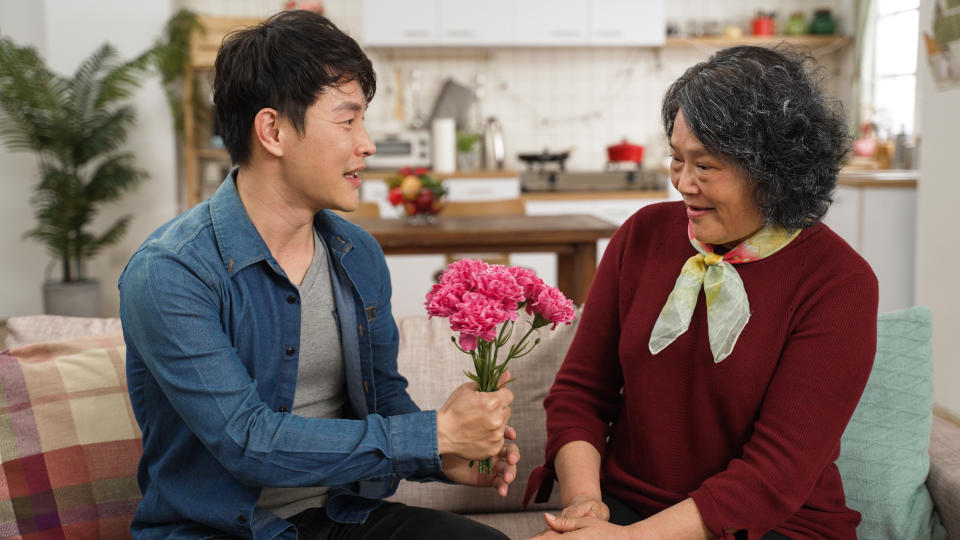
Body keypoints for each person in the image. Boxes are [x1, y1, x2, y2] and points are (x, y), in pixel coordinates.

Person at [119, 11, 517, 540]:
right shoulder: (171, 272)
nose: (368, 144)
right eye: (347, 120)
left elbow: (382, 399)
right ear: (274, 130)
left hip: (339, 516)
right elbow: (246, 442)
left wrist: (443, 455)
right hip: (218, 530)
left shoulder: (358, 255)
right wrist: (433, 433)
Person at [523, 46, 878, 540]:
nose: (683, 184)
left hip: (773, 528)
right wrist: (586, 503)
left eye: (705, 166)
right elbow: (581, 393)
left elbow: (777, 472)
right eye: (676, 159)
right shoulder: (642, 235)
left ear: (773, 171)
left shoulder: (839, 282)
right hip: (628, 511)